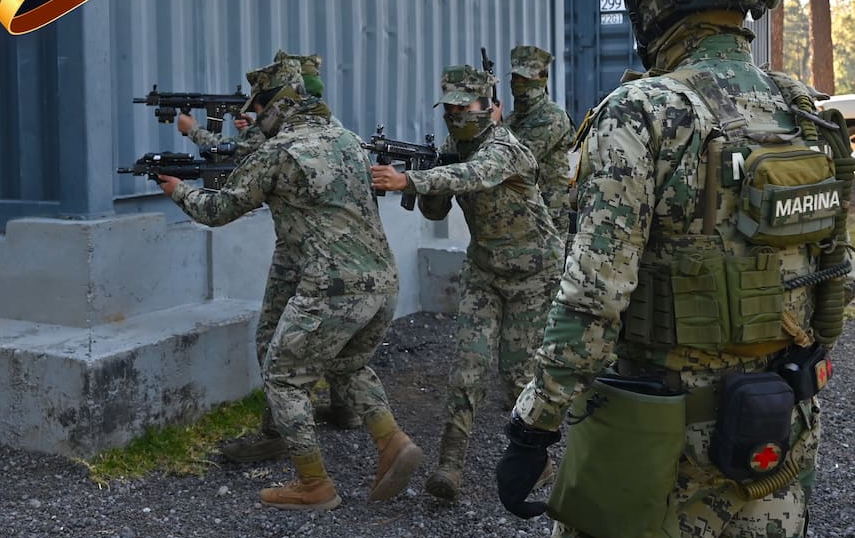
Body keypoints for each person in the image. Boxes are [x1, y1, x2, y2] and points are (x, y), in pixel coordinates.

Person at [493, 0, 855, 538]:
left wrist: (535, 425)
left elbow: (591, 299)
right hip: (775, 423)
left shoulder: (646, 112)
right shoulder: (803, 112)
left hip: (654, 437)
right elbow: (836, 275)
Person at [158, 53, 423, 509]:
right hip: (383, 280)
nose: (255, 117)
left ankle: (314, 484)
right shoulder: (346, 138)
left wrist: (177, 189)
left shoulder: (277, 153)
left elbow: (218, 210)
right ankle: (393, 442)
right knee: (347, 364)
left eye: (259, 109)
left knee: (283, 376)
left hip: (332, 287)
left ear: (277, 105)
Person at [369, 65, 563, 503]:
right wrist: (425, 180)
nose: (456, 116)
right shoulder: (453, 148)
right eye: (450, 109)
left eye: (465, 107)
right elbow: (436, 211)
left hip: (534, 273)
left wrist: (409, 179)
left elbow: (474, 175)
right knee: (466, 369)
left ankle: (537, 462)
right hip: (484, 270)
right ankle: (449, 465)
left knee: (517, 375)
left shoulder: (505, 147)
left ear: (490, 107)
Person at [181, 53, 362, 465]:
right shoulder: (333, 129)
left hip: (299, 247)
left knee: (274, 340)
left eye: (262, 105)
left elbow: (233, 158)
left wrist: (193, 133)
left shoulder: (284, 140)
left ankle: (279, 434)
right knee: (339, 334)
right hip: (341, 248)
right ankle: (346, 409)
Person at [506, 44, 576, 235]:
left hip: (549, 217)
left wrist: (495, 126)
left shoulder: (553, 116)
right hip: (518, 213)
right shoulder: (512, 119)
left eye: (526, 78)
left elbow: (519, 160)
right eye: (516, 78)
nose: (519, 83)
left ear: (542, 79)